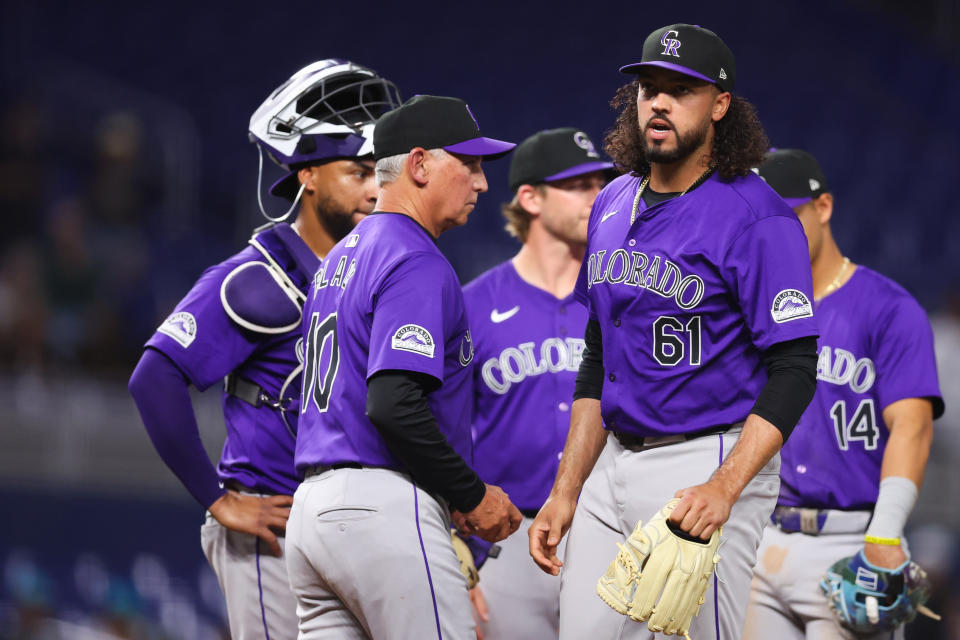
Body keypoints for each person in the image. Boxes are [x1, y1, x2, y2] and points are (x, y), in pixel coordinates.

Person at [528, 24, 821, 639]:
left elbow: (794, 368)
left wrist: (724, 486)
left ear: (718, 107)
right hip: (612, 463)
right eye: (647, 88)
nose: (657, 103)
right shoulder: (612, 201)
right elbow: (597, 354)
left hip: (704, 459)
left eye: (680, 90)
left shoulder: (757, 215)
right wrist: (566, 489)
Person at [128, 59, 400, 640]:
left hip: (351, 521)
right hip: (271, 521)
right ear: (307, 175)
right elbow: (153, 379)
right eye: (358, 171)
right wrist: (217, 499)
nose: (376, 189)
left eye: (381, 172)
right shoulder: (259, 277)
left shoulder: (376, 274)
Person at [284, 95, 523, 640]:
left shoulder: (339, 259)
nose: (482, 183)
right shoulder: (412, 256)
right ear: (419, 165)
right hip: (381, 507)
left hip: (312, 514)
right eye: (469, 164)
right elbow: (393, 404)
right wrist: (470, 492)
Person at [742, 149, 945, 640]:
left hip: (851, 544)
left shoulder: (888, 308)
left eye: (789, 217)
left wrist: (886, 531)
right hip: (759, 539)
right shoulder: (744, 308)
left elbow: (912, 427)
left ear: (824, 206)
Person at [462, 127, 612, 638]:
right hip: (505, 542)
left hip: (606, 533)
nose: (597, 196)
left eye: (601, 183)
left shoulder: (622, 301)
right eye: (578, 185)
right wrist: (456, 549)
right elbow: (440, 432)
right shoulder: (471, 306)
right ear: (530, 197)